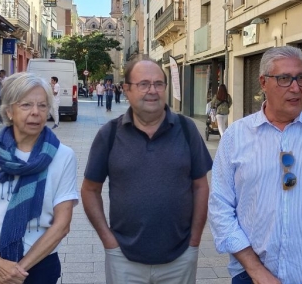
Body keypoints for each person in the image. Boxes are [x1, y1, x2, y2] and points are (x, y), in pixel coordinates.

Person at [208, 46, 302, 284]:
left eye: (301, 78)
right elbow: (220, 209)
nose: (296, 87)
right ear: (263, 82)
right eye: (284, 78)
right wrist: (257, 272)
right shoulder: (236, 136)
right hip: (252, 277)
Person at [81, 59, 212, 283]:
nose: (152, 91)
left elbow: (200, 186)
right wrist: (108, 240)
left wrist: (194, 241)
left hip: (179, 259)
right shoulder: (109, 134)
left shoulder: (187, 129)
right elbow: (90, 190)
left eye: (158, 84)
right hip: (123, 259)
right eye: (143, 84)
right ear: (127, 90)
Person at [0, 73, 78, 284]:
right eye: (26, 105)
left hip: (38, 262)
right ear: (9, 111)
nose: (36, 112)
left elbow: (62, 224)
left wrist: (14, 273)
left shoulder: (63, 155)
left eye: (42, 105)